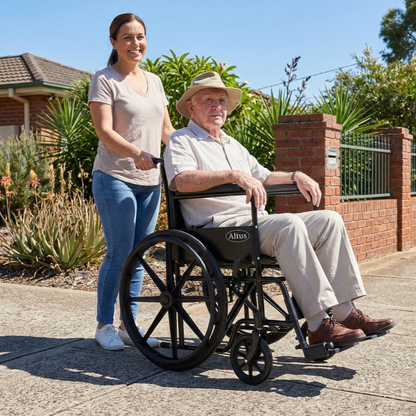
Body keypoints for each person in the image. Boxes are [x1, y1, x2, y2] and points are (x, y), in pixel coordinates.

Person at [164, 71, 395, 348]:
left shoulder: (231, 143)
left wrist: (296, 175)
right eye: (209, 100)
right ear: (191, 107)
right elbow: (181, 180)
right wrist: (232, 175)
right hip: (216, 230)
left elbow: (263, 175)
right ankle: (318, 324)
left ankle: (344, 311)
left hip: (253, 223)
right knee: (289, 224)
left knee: (329, 220)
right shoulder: (182, 140)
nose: (217, 106)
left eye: (222, 101)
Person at [88, 13, 174, 351]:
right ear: (113, 42)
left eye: (140, 36)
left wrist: (190, 149)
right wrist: (137, 151)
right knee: (119, 253)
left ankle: (129, 324)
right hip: (114, 177)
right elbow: (104, 131)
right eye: (127, 37)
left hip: (150, 181)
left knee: (139, 255)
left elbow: (166, 131)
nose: (135, 43)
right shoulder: (105, 80)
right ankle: (104, 325)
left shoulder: (154, 81)